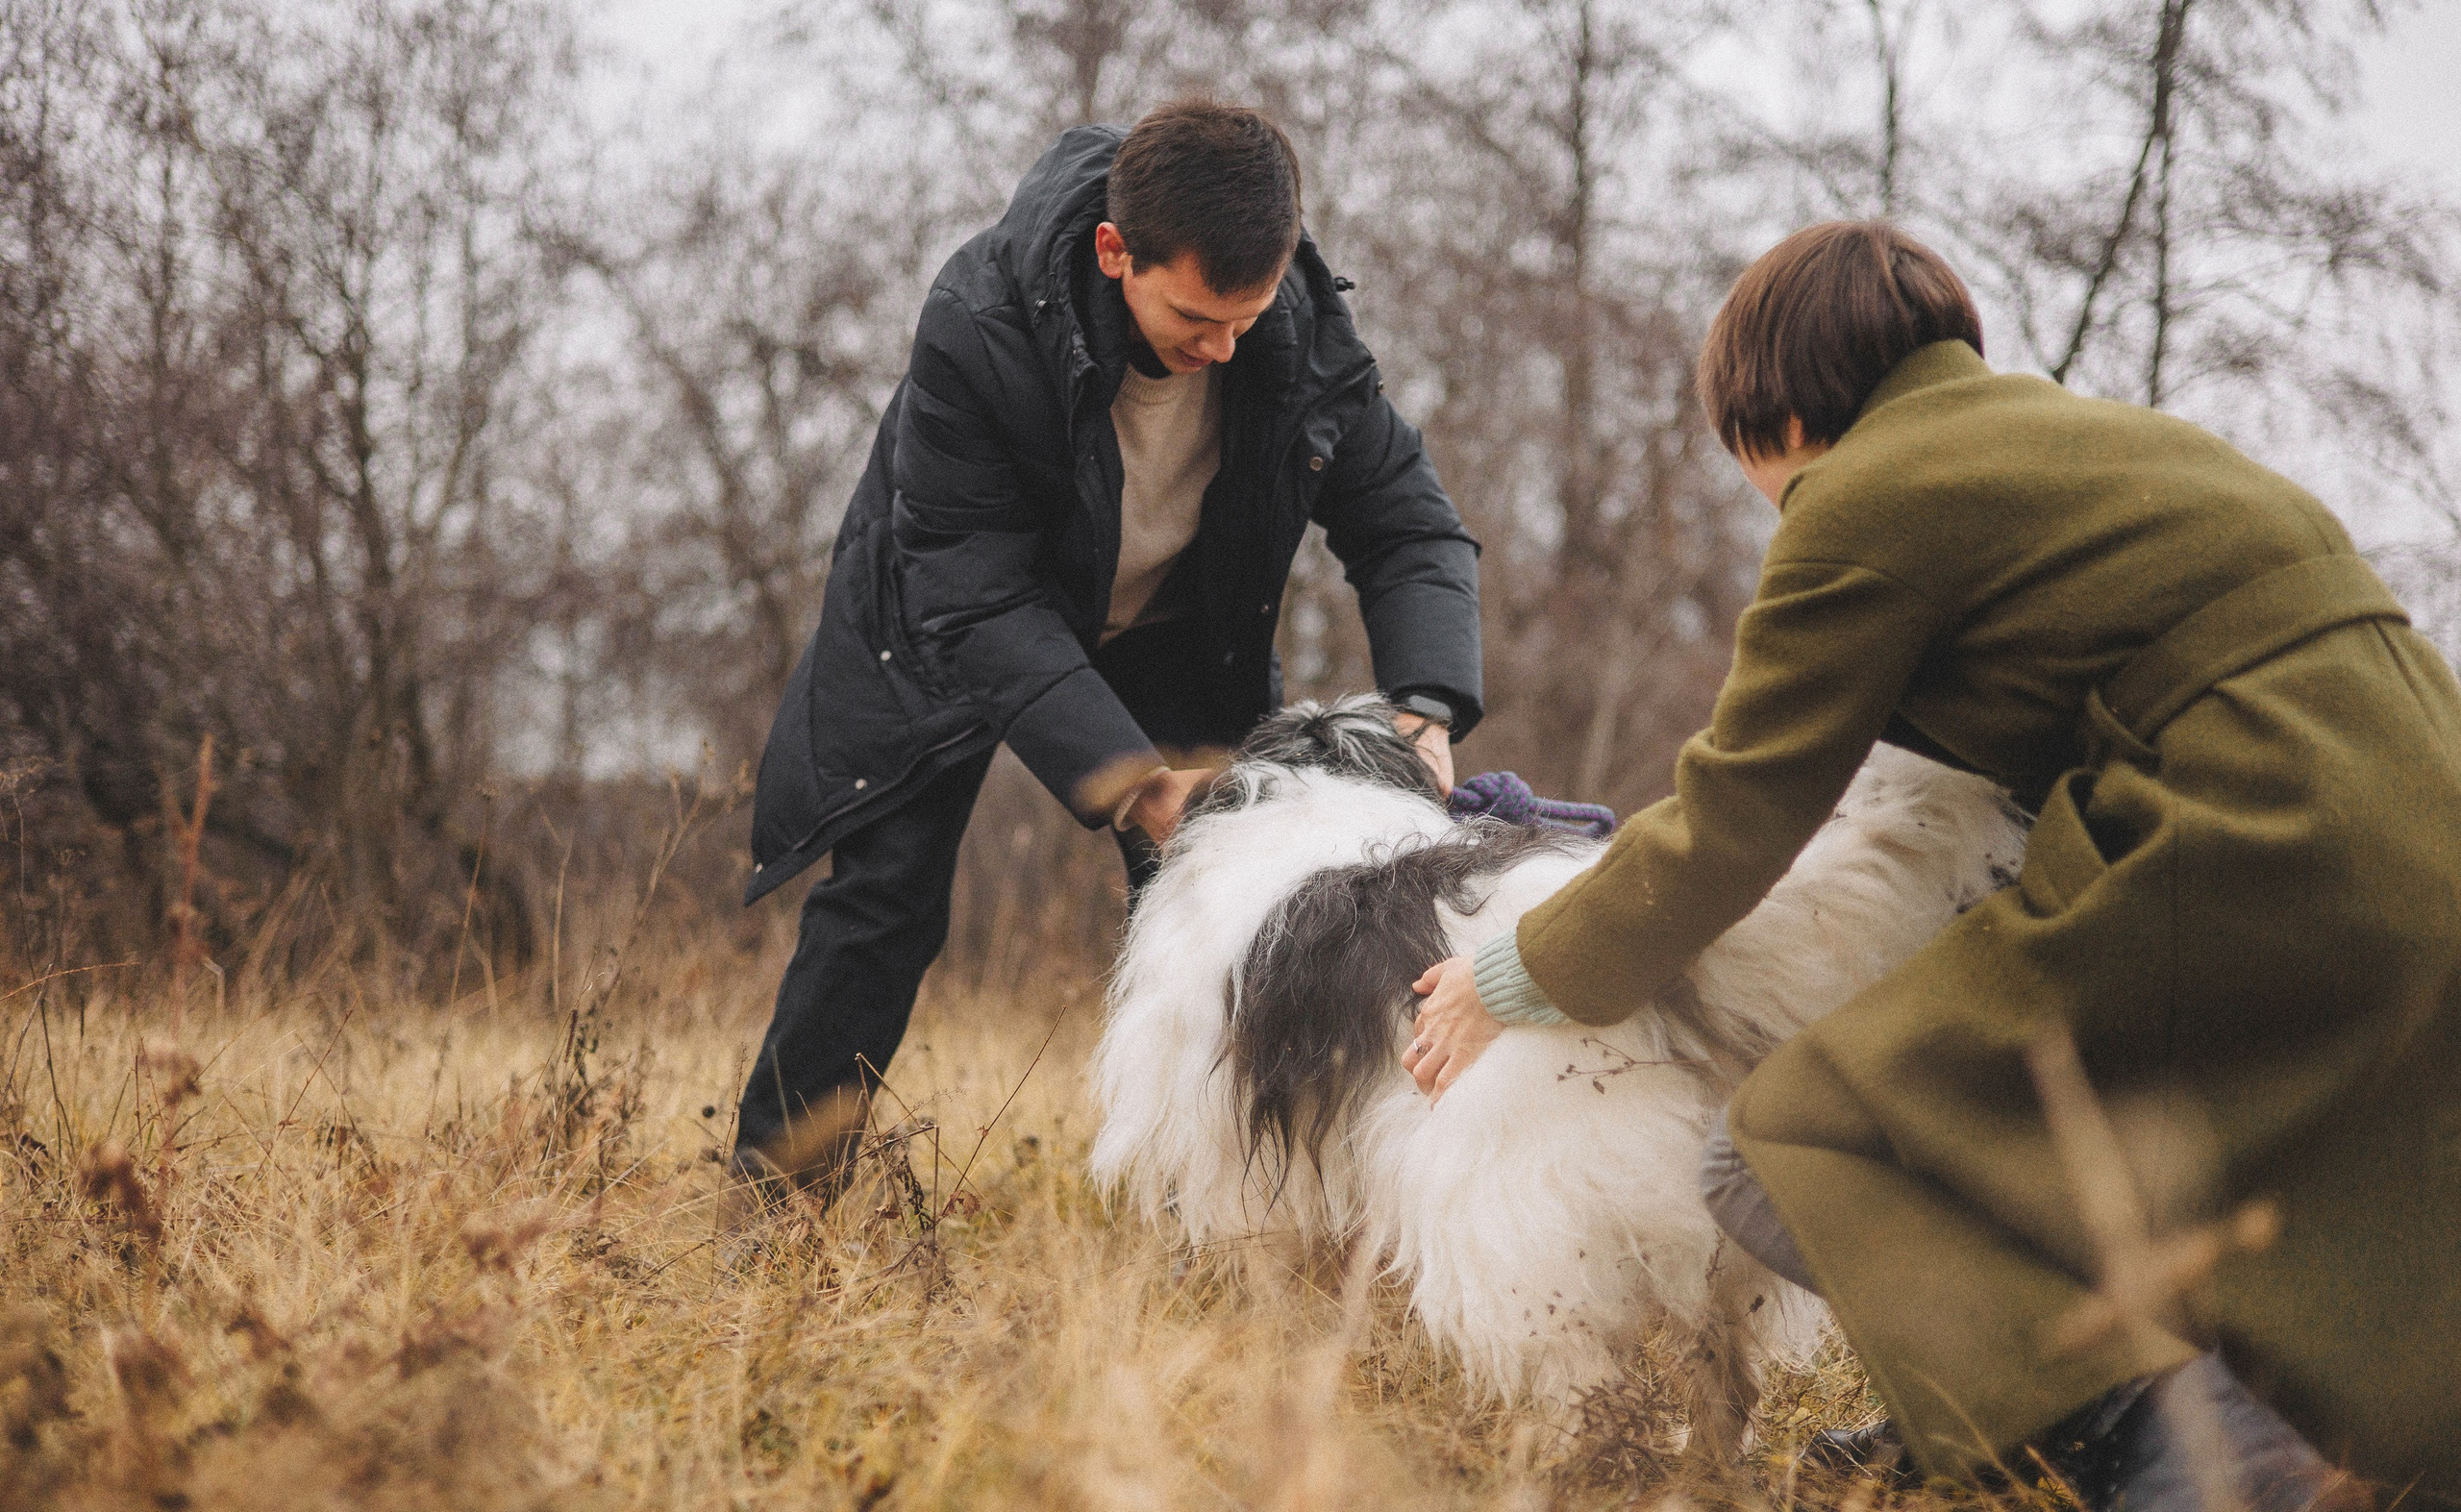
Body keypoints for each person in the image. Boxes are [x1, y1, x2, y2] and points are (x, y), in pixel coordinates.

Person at [1405, 222, 2459, 1507]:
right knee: (2224, 1164)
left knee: (1804, 1133)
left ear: (1779, 414)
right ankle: (2075, 1435)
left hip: (2253, 840)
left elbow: (1735, 816)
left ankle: (2154, 1436)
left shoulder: (1865, 495)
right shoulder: (2098, 445)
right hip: (2410, 830)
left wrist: (1508, 975)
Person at [731, 101, 1482, 1210]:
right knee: (884, 902)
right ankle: (772, 1205)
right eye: (1193, 317)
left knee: (1235, 901)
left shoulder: (1302, 335)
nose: (1223, 346)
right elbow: (971, 592)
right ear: (1114, 253)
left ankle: (1219, 1209)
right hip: (943, 623)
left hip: (1176, 630)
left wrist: (1424, 702)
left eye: (1249, 312)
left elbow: (1409, 526)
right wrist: (1129, 779)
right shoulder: (977, 321)